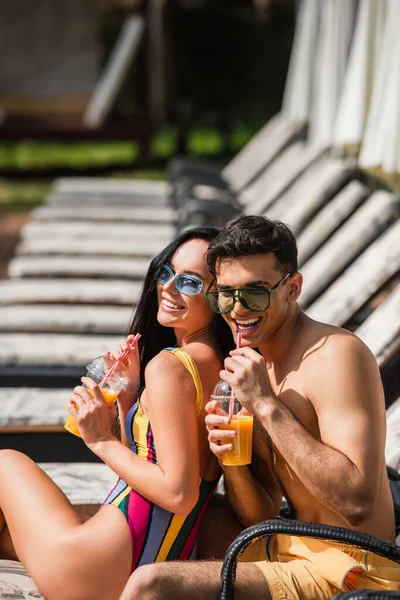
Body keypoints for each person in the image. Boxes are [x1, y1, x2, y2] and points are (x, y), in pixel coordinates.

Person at [121, 215, 399, 600]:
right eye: (225, 294)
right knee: (195, 517)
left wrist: (267, 405)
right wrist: (232, 464)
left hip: (352, 570)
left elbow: (356, 502)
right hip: (287, 547)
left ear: (293, 288)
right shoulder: (251, 364)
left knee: (150, 587)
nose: (237, 309)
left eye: (254, 293)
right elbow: (262, 516)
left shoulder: (336, 355)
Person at [0, 226, 234, 600]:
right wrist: (129, 400)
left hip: (94, 569)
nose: (169, 288)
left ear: (220, 297)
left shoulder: (171, 367)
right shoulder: (222, 367)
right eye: (166, 272)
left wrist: (102, 440)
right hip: (142, 563)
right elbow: (159, 469)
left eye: (189, 282)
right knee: (8, 531)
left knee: (4, 462)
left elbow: (177, 494)